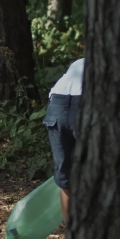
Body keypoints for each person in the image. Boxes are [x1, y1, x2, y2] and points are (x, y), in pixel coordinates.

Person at [44, 58, 85, 221]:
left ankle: (72, 238)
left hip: (56, 103)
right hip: (80, 101)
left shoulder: (79, 62)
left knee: (65, 176)